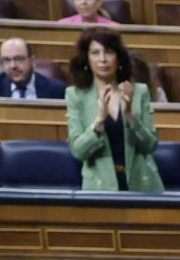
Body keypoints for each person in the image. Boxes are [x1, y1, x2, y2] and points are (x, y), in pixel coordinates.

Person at [65, 31, 162, 191]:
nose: (103, 59)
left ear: (119, 58)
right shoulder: (76, 95)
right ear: (87, 59)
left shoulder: (139, 91)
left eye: (109, 52)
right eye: (95, 53)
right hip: (99, 187)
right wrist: (99, 121)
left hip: (141, 184)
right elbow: (78, 152)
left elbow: (150, 145)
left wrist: (130, 115)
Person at [0, 38, 68, 99]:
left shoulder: (55, 89)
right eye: (7, 60)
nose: (13, 66)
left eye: (18, 59)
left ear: (32, 61)